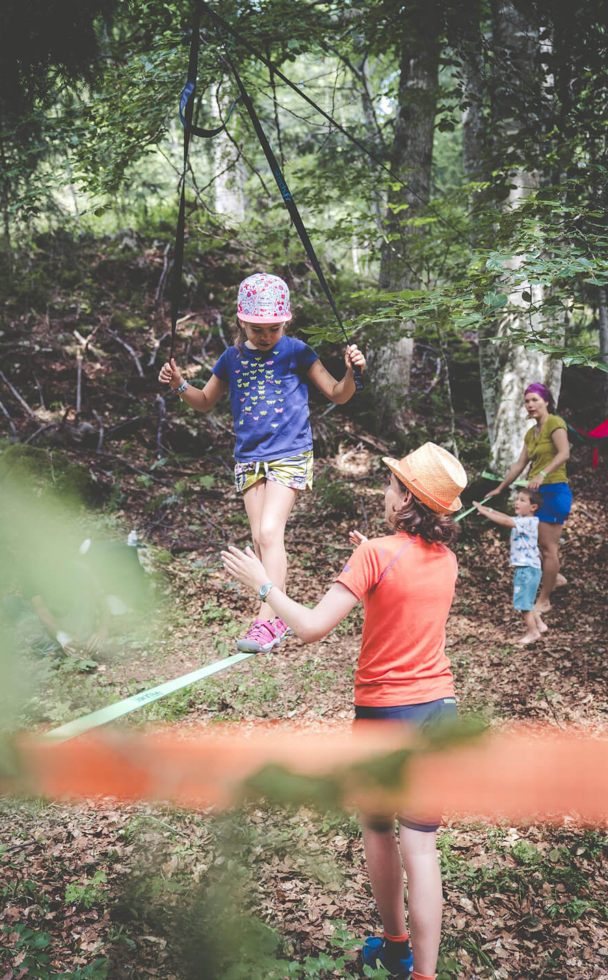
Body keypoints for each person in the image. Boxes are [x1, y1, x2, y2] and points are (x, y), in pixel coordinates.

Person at [222, 441, 467, 980]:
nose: (385, 490)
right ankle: (422, 974)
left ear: (405, 500)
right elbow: (404, 589)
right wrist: (370, 554)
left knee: (379, 828)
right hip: (438, 711)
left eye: (392, 484)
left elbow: (310, 627)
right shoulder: (444, 559)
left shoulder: (376, 554)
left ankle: (396, 946)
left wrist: (262, 584)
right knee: (421, 850)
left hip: (386, 716)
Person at [159, 272, 366, 653]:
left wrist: (352, 371)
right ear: (241, 321)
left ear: (285, 321)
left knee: (270, 534)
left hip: (290, 453)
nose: (265, 335)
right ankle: (277, 620)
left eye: (273, 328)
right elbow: (205, 401)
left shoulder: (297, 351)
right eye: (257, 329)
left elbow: (338, 394)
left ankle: (268, 619)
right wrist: (178, 384)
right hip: (249, 458)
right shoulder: (231, 358)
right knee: (259, 538)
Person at [484, 383, 571, 613]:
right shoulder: (531, 433)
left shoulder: (555, 423)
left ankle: (544, 600)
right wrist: (501, 488)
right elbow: (520, 464)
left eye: (534, 400)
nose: (530, 405)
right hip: (537, 493)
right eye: (527, 401)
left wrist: (543, 473)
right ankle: (557, 577)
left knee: (546, 547)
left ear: (546, 401)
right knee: (533, 542)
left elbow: (564, 453)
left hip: (554, 490)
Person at [473, 489, 547, 644]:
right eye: (517, 499)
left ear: (533, 507)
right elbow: (506, 517)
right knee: (528, 599)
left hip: (527, 568)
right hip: (531, 567)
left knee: (523, 604)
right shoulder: (525, 520)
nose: (517, 502)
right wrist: (487, 509)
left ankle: (533, 633)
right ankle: (539, 625)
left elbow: (506, 521)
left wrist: (485, 513)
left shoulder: (527, 522)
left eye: (522, 500)